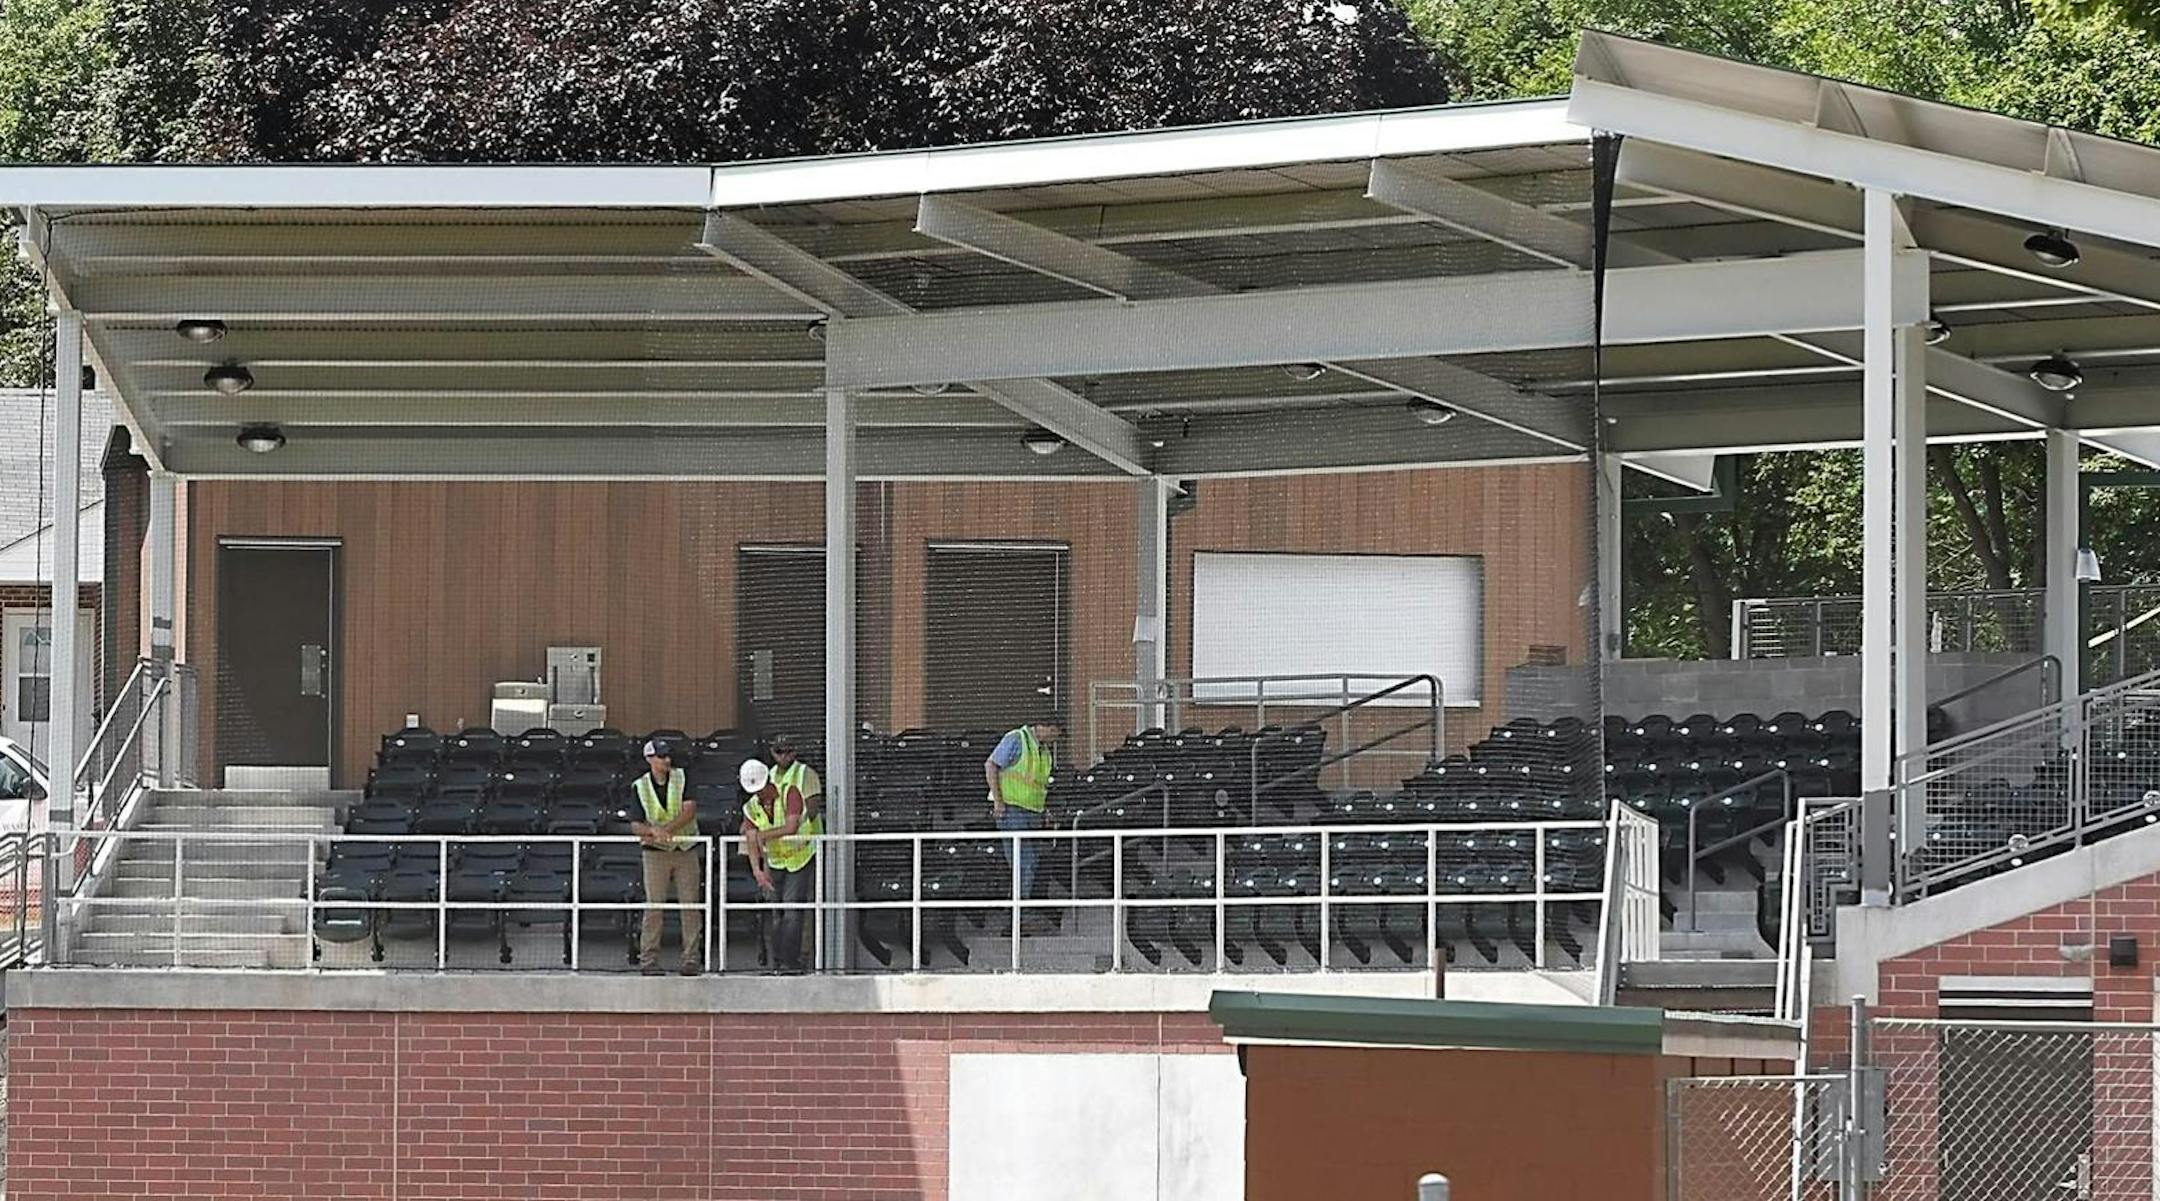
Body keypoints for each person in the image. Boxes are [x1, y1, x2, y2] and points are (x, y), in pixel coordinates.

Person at [740, 754, 821, 972]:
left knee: (792, 911)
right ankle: (777, 960)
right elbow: (750, 837)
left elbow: (791, 826)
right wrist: (757, 870)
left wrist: (764, 836)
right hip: (775, 862)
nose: (759, 794)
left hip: (799, 858)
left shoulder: (790, 792)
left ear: (768, 781)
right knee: (776, 913)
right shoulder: (751, 807)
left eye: (761, 789)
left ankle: (790, 962)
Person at [630, 738, 702, 976]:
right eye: (661, 756)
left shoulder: (682, 777)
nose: (667, 760)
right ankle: (648, 960)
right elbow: (635, 825)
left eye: (668, 755)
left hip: (685, 848)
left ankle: (691, 959)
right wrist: (653, 832)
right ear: (650, 759)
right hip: (655, 853)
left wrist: (665, 831)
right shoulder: (639, 786)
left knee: (690, 905)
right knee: (654, 906)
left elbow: (689, 810)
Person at [984, 717, 1060, 905]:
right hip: (1012, 809)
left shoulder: (1043, 751)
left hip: (1032, 812)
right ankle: (1018, 911)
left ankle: (1019, 907)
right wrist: (998, 801)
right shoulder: (1017, 739)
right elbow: (991, 765)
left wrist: (1045, 810)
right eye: (1053, 734)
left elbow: (1038, 786)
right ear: (1044, 726)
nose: (1053, 740)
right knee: (1024, 862)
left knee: (1028, 861)